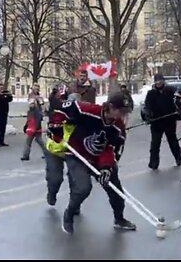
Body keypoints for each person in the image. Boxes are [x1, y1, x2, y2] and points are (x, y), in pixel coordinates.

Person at [48, 91, 136, 234]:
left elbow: (111, 149)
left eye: (126, 112)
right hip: (76, 154)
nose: (123, 115)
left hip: (98, 159)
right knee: (83, 188)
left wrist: (106, 168)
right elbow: (59, 106)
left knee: (116, 190)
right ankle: (69, 214)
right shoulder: (88, 110)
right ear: (110, 107)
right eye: (121, 111)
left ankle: (119, 219)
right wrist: (55, 124)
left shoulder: (118, 127)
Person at [142, 73, 181, 169]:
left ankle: (178, 158)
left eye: (160, 80)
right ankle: (154, 163)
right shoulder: (151, 93)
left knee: (172, 141)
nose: (158, 82)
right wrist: (148, 116)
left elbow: (179, 99)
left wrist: (178, 108)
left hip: (169, 120)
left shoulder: (170, 90)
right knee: (155, 144)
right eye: (156, 81)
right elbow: (147, 107)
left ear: (163, 81)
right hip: (157, 122)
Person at [21, 84, 46, 161]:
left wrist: (37, 101)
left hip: (35, 119)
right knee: (37, 139)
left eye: (37, 89)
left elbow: (42, 105)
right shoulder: (31, 96)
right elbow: (31, 106)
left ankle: (26, 155)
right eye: (35, 89)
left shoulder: (39, 97)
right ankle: (46, 153)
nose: (37, 90)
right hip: (33, 119)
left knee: (31, 139)